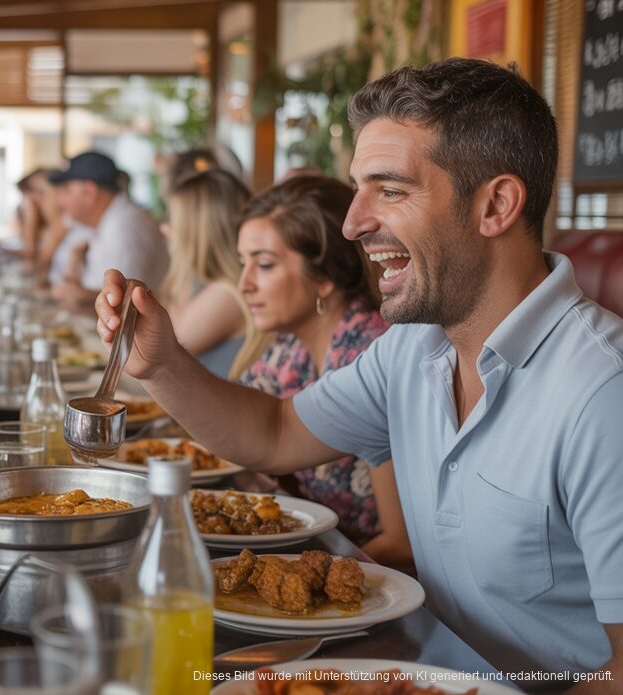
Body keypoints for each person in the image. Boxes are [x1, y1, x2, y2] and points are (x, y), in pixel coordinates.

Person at [95, 58, 623, 687]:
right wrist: (160, 364)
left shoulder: (602, 393)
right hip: (415, 668)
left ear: (496, 205)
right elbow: (275, 430)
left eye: (391, 189)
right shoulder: (412, 349)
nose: (353, 223)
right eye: (357, 188)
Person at [232, 175, 410, 569]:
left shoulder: (370, 354)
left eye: (263, 265)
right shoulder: (289, 349)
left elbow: (402, 545)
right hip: (322, 547)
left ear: (325, 277)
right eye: (242, 263)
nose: (243, 284)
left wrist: (293, 577)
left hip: (379, 582)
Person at [160, 168, 251, 379]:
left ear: (196, 233)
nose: (163, 229)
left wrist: (180, 261)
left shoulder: (227, 293)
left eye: (172, 221)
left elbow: (158, 354)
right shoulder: (202, 282)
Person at [49, 152, 169, 311]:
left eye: (66, 191)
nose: (59, 201)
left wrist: (78, 295)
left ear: (89, 192)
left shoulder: (125, 227)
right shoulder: (103, 219)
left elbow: (126, 308)